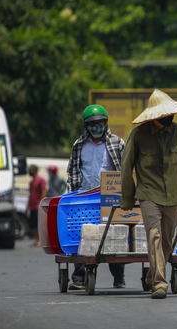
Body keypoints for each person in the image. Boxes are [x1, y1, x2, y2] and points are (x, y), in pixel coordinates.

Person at [120, 89, 177, 300]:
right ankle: (160, 283)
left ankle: (152, 275)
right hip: (149, 193)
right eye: (166, 114)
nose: (171, 117)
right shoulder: (138, 135)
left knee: (168, 240)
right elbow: (127, 169)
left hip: (173, 195)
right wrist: (127, 198)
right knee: (154, 235)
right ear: (156, 116)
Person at [66, 104, 126, 290]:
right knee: (82, 237)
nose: (96, 126)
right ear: (86, 125)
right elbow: (72, 172)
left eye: (100, 122)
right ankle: (78, 278)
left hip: (110, 199)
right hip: (84, 198)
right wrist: (70, 197)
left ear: (106, 122)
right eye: (92, 123)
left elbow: (126, 170)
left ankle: (118, 277)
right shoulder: (79, 145)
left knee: (113, 237)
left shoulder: (117, 143)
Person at [26, 165, 47, 247]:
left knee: (39, 224)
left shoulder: (41, 180)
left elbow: (44, 191)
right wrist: (27, 207)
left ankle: (41, 240)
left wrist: (40, 203)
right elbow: (30, 195)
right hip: (32, 206)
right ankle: (37, 239)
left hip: (38, 206)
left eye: (30, 170)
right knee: (33, 224)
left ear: (34, 170)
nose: (29, 172)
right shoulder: (31, 182)